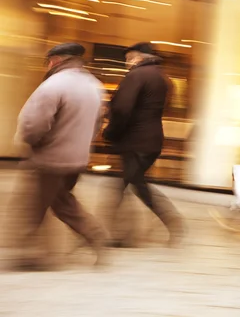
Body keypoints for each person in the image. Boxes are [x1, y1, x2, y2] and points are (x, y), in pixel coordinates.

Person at [14, 42, 107, 269]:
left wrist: (30, 142)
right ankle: (91, 239)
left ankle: (30, 254)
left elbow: (33, 125)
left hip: (50, 159)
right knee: (61, 202)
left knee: (33, 207)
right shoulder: (94, 85)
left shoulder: (53, 85)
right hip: (77, 159)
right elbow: (98, 123)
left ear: (55, 60)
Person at [103, 42, 184, 248]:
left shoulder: (137, 76)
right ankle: (124, 234)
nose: (127, 62)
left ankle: (167, 222)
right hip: (152, 139)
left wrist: (110, 132)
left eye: (130, 57)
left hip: (134, 140)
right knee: (131, 184)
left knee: (131, 185)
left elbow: (122, 109)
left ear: (140, 56)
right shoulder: (164, 78)